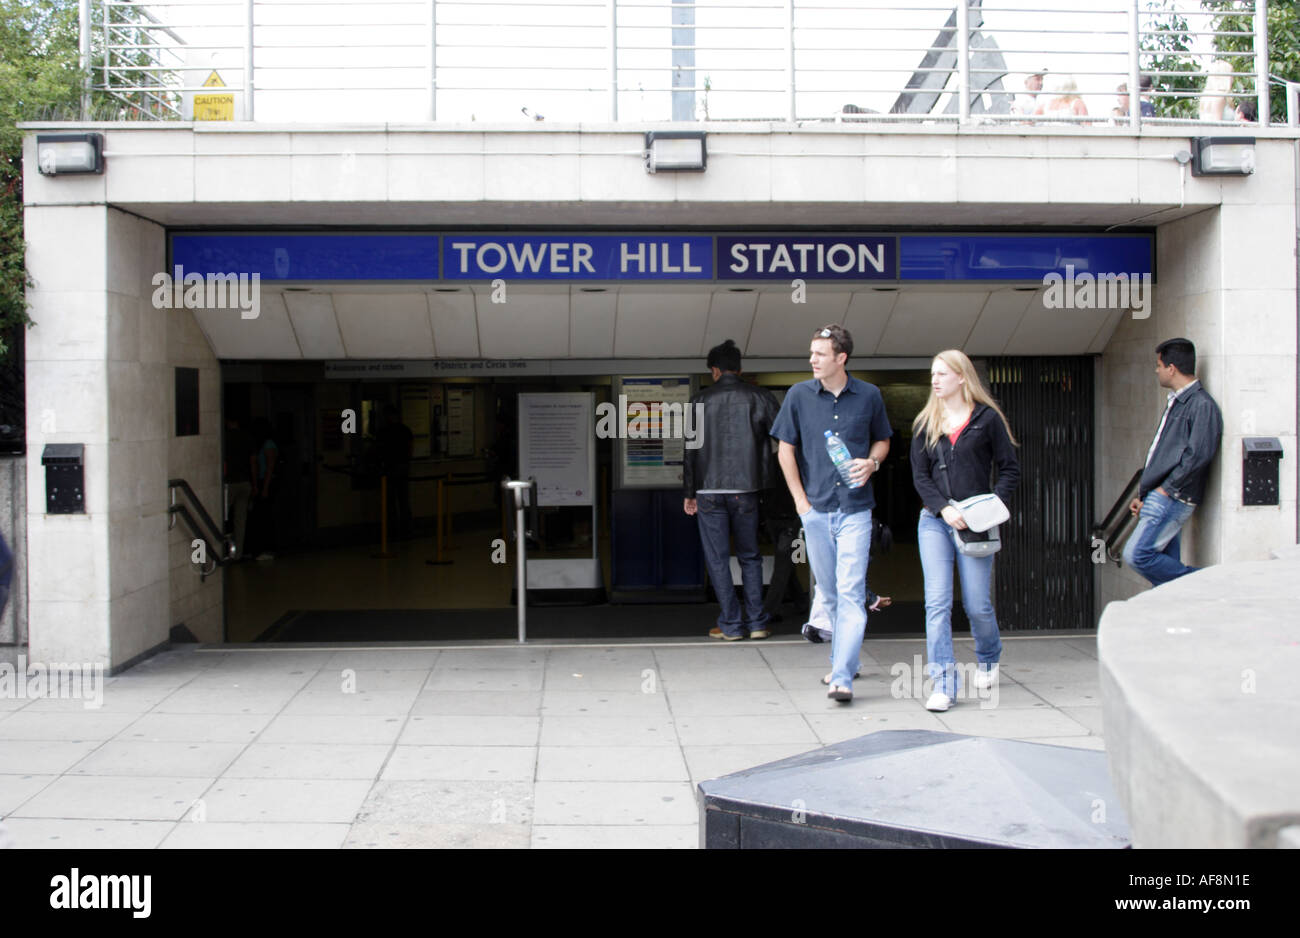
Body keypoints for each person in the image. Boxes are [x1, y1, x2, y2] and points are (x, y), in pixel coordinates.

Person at [771, 324, 892, 702]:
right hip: (817, 511)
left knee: (852, 592)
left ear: (841, 358)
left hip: (856, 510)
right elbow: (784, 450)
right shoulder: (798, 395)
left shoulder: (869, 395)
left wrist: (872, 462)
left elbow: (883, 439)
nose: (812, 360)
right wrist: (800, 503)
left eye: (820, 354)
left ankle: (842, 676)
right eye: (812, 353)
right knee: (831, 592)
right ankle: (848, 660)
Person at [911, 350, 1019, 713]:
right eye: (932, 374)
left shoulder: (987, 420)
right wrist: (943, 507)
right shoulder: (926, 422)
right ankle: (943, 684)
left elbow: (1009, 470)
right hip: (935, 522)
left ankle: (988, 657)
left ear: (961, 377)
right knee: (937, 603)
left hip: (977, 525)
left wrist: (990, 509)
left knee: (977, 605)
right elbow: (920, 476)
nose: (935, 380)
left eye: (942, 374)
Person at [683, 339, 781, 640]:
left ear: (715, 371)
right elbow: (783, 441)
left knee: (717, 557)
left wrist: (689, 493)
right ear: (740, 369)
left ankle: (730, 624)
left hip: (708, 491)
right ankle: (757, 623)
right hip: (747, 489)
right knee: (750, 555)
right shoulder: (761, 397)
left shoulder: (699, 402)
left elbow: (690, 451)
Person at [1123, 338, 1223, 587]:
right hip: (1162, 496)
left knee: (1136, 555)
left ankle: (1207, 584)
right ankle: (1176, 617)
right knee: (1162, 574)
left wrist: (1166, 490)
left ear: (1171, 368)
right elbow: (1162, 453)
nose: (1156, 370)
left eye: (1158, 365)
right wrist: (1145, 493)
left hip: (1172, 497)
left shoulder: (1200, 405)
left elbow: (1198, 455)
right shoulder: (1177, 402)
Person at [377, 403, 414, 540]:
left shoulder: (383, 431)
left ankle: (392, 531)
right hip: (403, 468)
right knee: (403, 501)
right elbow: (410, 449)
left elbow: (379, 450)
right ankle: (407, 530)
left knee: (391, 502)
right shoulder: (405, 430)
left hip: (390, 468)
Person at [246, 417, 279, 561]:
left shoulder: (268, 444)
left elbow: (270, 467)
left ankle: (268, 548)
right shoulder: (261, 444)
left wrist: (264, 487)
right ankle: (259, 548)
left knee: (265, 515)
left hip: (267, 482)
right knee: (259, 515)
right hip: (262, 481)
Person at [223, 415, 253, 559]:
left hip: (230, 482)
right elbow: (253, 461)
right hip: (245, 482)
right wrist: (254, 482)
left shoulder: (225, 438)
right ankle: (238, 554)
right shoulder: (247, 437)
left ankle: (223, 550)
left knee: (223, 516)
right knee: (240, 520)